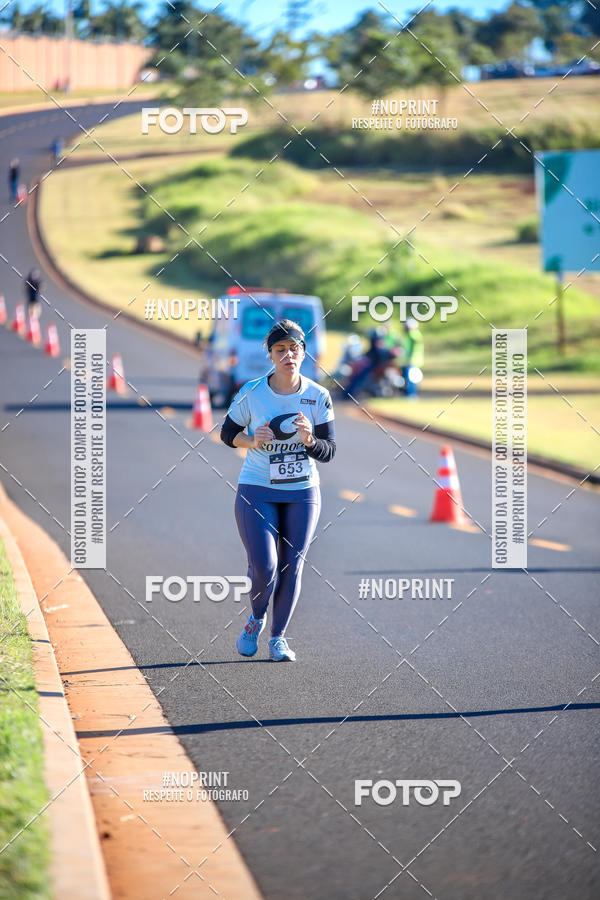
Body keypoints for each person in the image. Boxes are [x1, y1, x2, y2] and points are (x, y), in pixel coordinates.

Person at [220, 319, 336, 662]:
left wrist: (309, 440)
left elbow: (329, 451)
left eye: (294, 349)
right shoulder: (253, 392)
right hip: (257, 489)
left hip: (302, 492)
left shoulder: (317, 396)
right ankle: (255, 619)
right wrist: (251, 439)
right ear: (270, 355)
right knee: (265, 566)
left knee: (292, 565)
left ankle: (278, 639)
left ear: (303, 353)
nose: (288, 355)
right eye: (280, 350)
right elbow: (227, 434)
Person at [402, 318, 424, 397]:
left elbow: (414, 346)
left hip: (413, 360)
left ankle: (411, 395)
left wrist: (410, 359)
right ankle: (409, 394)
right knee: (410, 378)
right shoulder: (412, 334)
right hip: (412, 360)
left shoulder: (413, 334)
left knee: (411, 379)